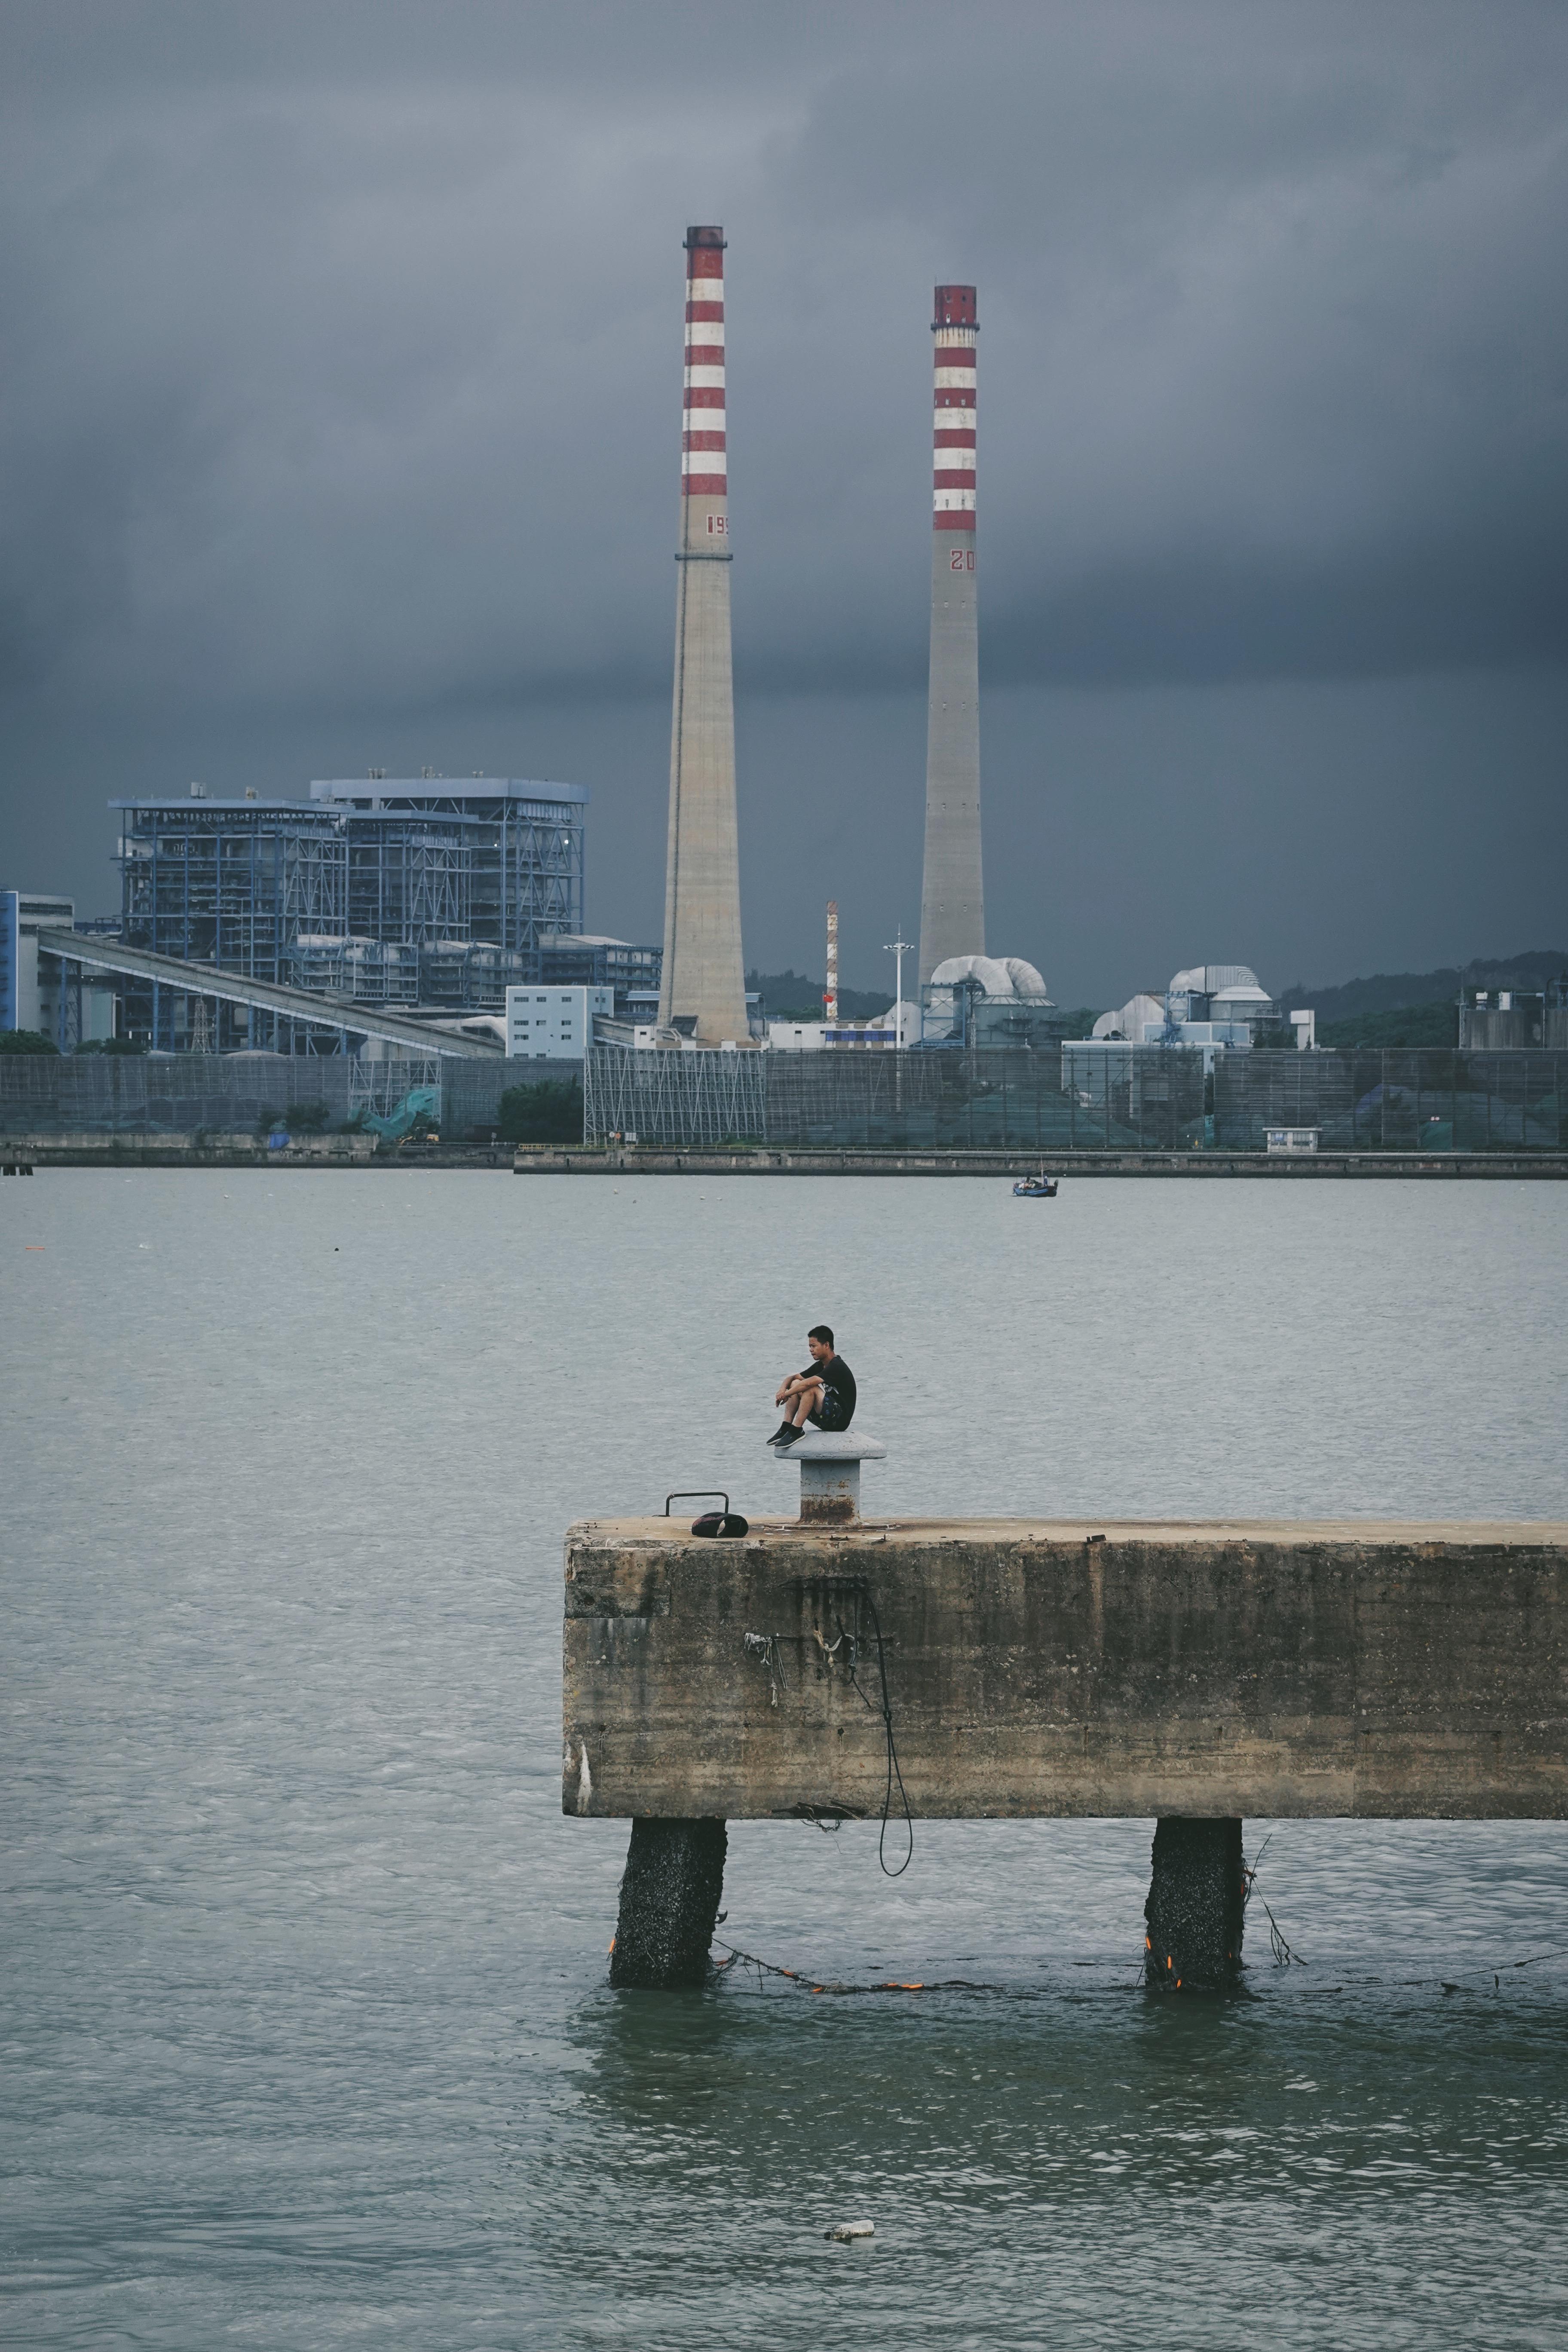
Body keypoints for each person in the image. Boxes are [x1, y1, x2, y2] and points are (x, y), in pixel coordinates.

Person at [768, 1325, 856, 1449]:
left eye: (814, 1346)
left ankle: (796, 1430)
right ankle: (786, 1427)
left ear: (827, 1345)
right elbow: (792, 1378)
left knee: (810, 1388)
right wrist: (782, 1390)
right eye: (810, 1346)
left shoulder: (837, 1366)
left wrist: (786, 1395)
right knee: (796, 1383)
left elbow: (809, 1383)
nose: (811, 1350)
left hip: (839, 1421)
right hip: (826, 1417)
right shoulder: (821, 1365)